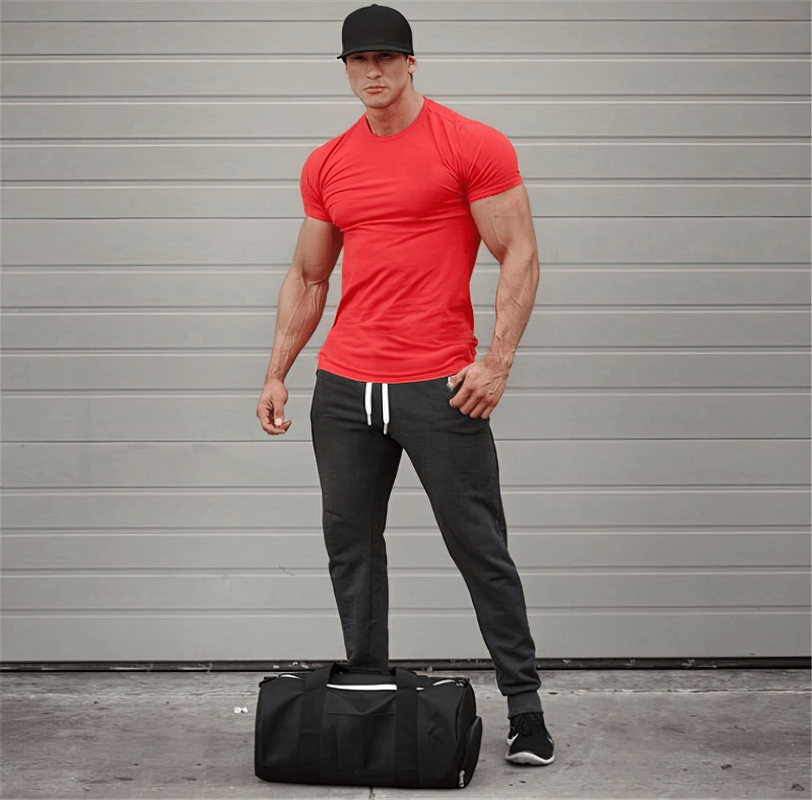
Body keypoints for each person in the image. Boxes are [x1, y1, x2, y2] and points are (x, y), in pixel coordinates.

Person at [256, 3, 554, 766]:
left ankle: (525, 710)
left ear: (411, 62)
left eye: (386, 57)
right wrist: (277, 372)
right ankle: (367, 696)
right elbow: (309, 275)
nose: (373, 72)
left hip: (439, 386)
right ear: (346, 68)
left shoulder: (471, 145)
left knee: (479, 546)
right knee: (351, 548)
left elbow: (519, 252)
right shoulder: (328, 163)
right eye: (359, 60)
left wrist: (496, 362)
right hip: (344, 389)